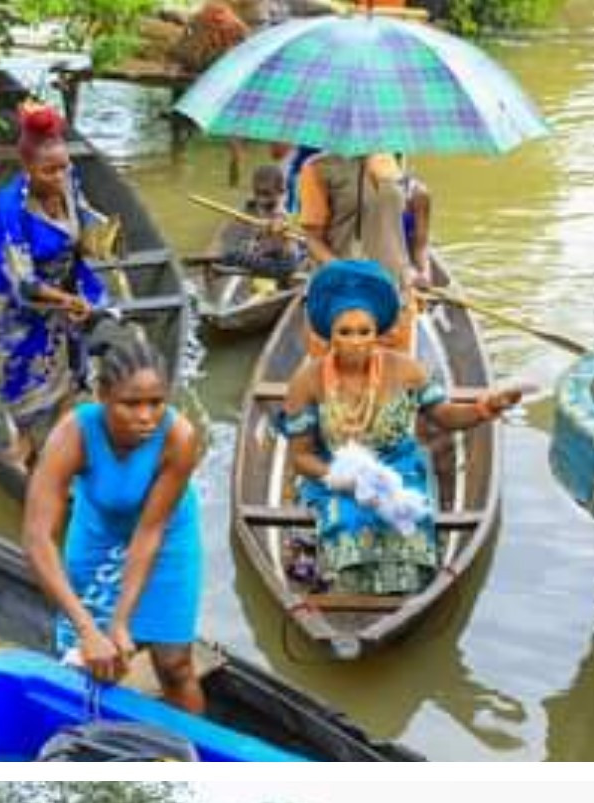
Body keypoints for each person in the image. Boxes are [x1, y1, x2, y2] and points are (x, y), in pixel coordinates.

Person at [280, 260, 523, 597]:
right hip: (334, 474)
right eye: (344, 332)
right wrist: (347, 481)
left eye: (364, 331)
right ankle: (348, 587)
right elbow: (301, 458)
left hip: (398, 469)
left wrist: (485, 408)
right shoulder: (306, 381)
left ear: (377, 331)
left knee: (405, 519)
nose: (355, 342)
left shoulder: (406, 370)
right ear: (331, 335)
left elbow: (445, 417)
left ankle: (408, 591)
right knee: (350, 521)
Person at [22, 324, 206, 712]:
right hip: (98, 535)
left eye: (157, 402)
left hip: (167, 537)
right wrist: (90, 629)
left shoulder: (180, 437)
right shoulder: (73, 433)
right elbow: (37, 538)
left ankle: (194, 761)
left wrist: (120, 622)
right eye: (131, 404)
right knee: (89, 663)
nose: (147, 417)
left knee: (174, 664)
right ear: (103, 396)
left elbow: (149, 532)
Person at [0, 101, 116, 465]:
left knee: (77, 335)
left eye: (63, 167)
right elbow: (23, 285)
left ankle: (67, 403)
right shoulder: (10, 209)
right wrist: (67, 301)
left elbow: (81, 215)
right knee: (16, 351)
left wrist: (98, 239)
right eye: (48, 171)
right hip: (5, 278)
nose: (59, 177)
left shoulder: (69, 180)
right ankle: (24, 434)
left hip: (60, 267)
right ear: (28, 168)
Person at [297, 152, 431, 352]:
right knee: (332, 378)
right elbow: (312, 239)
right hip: (337, 296)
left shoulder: (398, 168)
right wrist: (346, 270)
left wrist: (423, 274)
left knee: (392, 378)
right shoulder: (318, 168)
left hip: (394, 295)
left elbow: (419, 243)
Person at [217, 162, 304, 283]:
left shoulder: (282, 215)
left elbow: (289, 259)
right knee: (228, 254)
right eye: (257, 193)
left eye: (267, 194)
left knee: (231, 257)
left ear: (281, 191)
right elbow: (225, 239)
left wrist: (277, 228)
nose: (261, 200)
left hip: (282, 264)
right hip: (259, 258)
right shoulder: (248, 208)